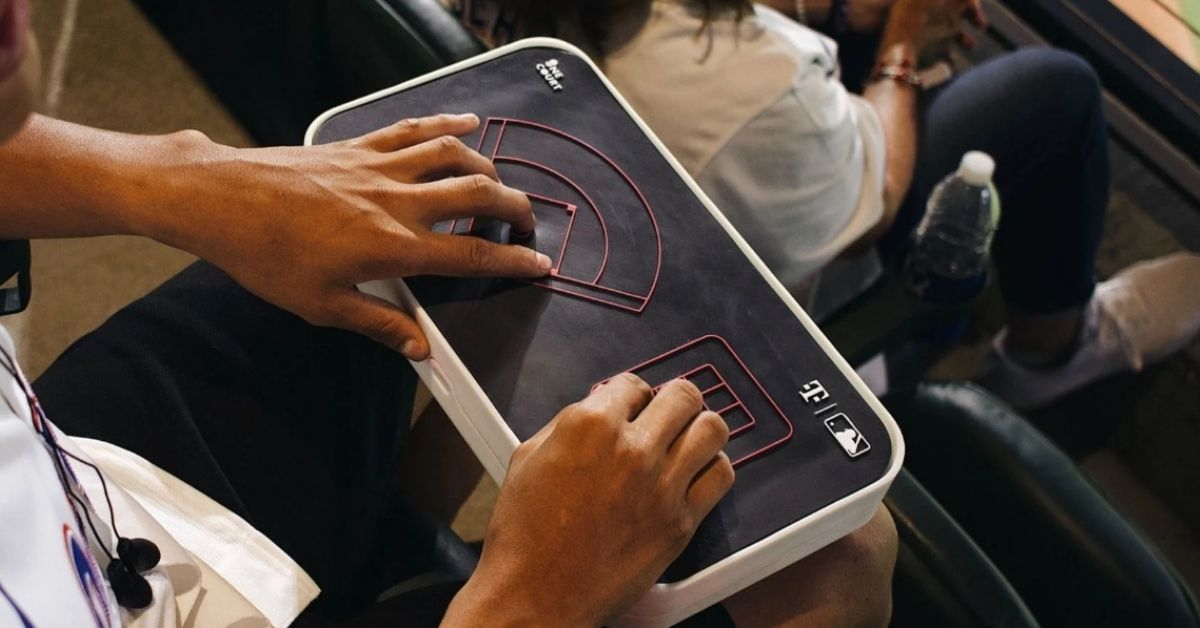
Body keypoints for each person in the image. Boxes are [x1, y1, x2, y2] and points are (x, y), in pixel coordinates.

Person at [0, 0, 897, 625]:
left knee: (429, 217)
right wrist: (528, 601)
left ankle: (388, 538)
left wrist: (189, 178)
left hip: (73, 482)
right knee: (838, 565)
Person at [450, 0, 1200, 410]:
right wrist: (901, 41)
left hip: (548, 201)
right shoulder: (757, 83)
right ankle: (1055, 350)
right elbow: (872, 205)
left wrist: (831, 10)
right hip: (696, 301)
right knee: (1057, 88)